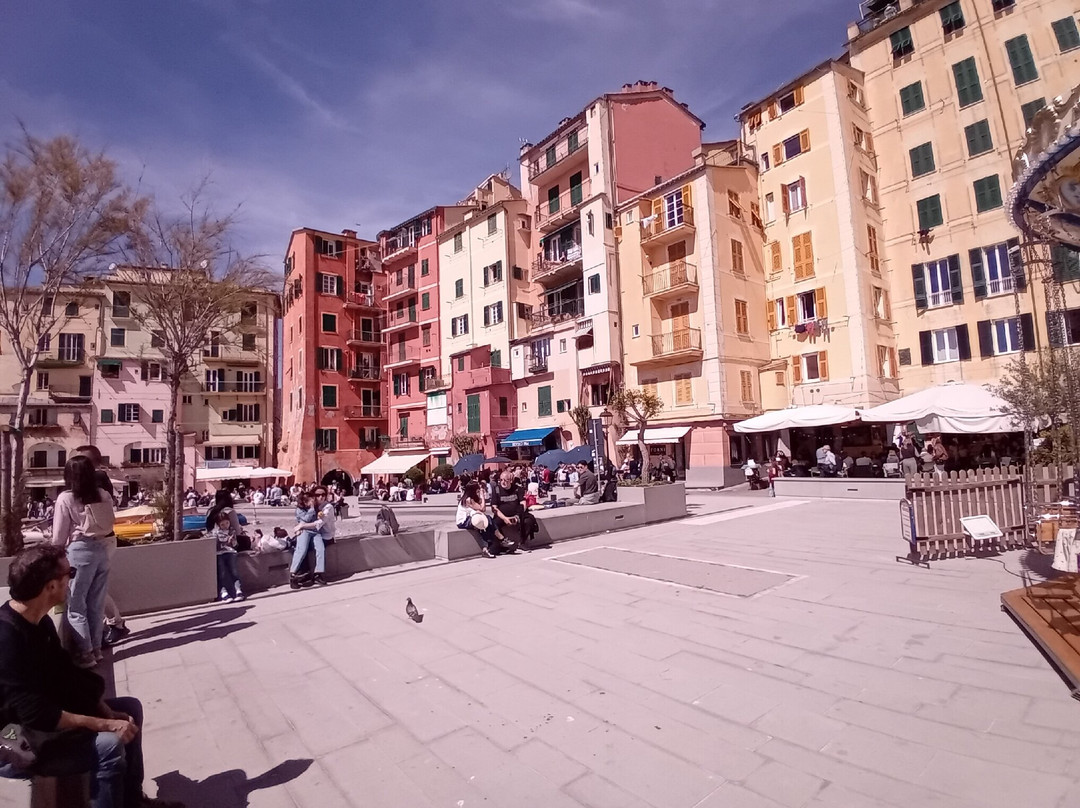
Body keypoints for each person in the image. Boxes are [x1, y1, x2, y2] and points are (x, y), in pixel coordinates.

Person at [0, 545, 181, 807]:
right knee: (109, 745)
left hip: (39, 727)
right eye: (69, 573)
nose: (71, 579)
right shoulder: (7, 638)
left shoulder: (39, 620)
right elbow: (35, 713)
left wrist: (106, 711)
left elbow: (67, 677)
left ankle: (132, 801)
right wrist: (104, 725)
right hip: (15, 743)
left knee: (129, 708)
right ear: (51, 586)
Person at [52, 456, 115, 669]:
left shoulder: (66, 498)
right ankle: (97, 649)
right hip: (102, 549)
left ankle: (86, 654)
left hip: (78, 553)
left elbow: (59, 536)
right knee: (96, 604)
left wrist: (55, 553)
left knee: (76, 606)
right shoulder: (103, 494)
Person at [73, 446, 130, 648]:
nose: (76, 463)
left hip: (98, 541)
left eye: (81, 459)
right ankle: (108, 626)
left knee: (92, 589)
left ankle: (114, 624)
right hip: (100, 540)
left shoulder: (95, 480)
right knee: (93, 588)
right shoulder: (95, 481)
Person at [289, 487, 335, 588]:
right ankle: (294, 575)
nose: (321, 497)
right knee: (301, 550)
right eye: (317, 495)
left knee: (320, 549)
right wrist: (310, 509)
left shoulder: (327, 507)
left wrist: (301, 526)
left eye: (323, 495)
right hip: (307, 531)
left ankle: (318, 573)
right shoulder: (302, 508)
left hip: (318, 532)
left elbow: (318, 522)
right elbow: (304, 519)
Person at [455, 481, 511, 558]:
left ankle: (488, 548)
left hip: (473, 519)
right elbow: (483, 508)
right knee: (486, 520)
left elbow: (480, 509)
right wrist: (482, 495)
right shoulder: (468, 500)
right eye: (477, 490)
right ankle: (501, 539)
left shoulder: (472, 498)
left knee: (485, 524)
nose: (479, 491)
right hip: (463, 521)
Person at [491, 469, 537, 549]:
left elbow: (523, 503)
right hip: (502, 516)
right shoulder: (496, 490)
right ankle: (501, 544)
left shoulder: (518, 489)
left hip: (517, 515)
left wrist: (517, 516)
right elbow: (494, 508)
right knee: (493, 524)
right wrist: (505, 518)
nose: (503, 482)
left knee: (528, 521)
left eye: (506, 480)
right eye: (501, 480)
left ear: (511, 480)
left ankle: (522, 542)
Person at [209, 513, 244, 603]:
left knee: (234, 571)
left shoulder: (232, 531)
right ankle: (224, 593)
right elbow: (214, 546)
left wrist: (232, 542)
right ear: (218, 524)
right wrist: (221, 543)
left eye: (227, 523)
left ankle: (238, 591)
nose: (225, 526)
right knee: (222, 573)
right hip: (220, 553)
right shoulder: (215, 532)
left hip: (231, 552)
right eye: (222, 524)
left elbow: (236, 546)